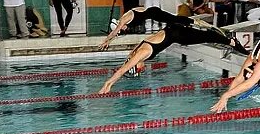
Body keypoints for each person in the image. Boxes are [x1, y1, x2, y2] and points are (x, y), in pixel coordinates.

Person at [98, 24, 248, 94]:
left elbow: (124, 68)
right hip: (173, 31)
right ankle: (225, 39)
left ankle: (231, 41)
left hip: (177, 33)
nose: (142, 69)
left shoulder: (140, 54)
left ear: (136, 65)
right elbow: (126, 63)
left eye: (139, 70)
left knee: (205, 37)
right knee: (203, 37)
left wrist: (108, 83)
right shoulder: (135, 52)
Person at [99, 6, 219, 51]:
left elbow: (115, 32)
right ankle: (194, 23)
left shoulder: (125, 18)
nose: (123, 29)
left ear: (119, 24)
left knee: (175, 19)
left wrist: (106, 41)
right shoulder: (126, 19)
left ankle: (203, 24)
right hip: (153, 12)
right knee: (175, 21)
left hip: (154, 13)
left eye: (121, 29)